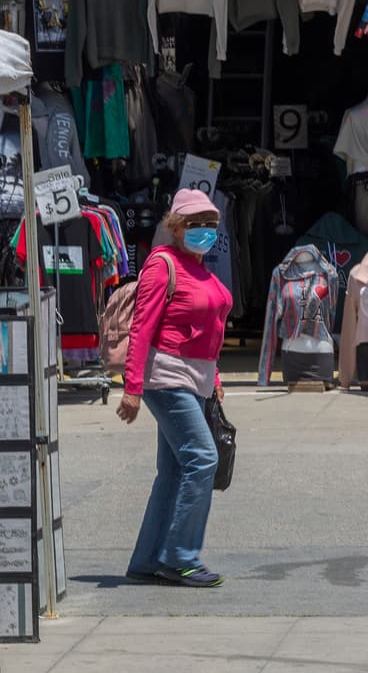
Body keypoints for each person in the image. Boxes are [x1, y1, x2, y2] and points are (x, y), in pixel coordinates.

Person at [116, 188, 233, 588]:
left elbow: (208, 331)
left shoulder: (201, 268)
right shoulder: (161, 264)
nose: (204, 230)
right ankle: (181, 557)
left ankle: (147, 560)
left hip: (195, 379)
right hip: (166, 377)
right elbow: (142, 327)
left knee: (173, 471)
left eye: (210, 224)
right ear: (177, 227)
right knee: (202, 458)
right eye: (195, 223)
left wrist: (214, 378)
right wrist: (132, 387)